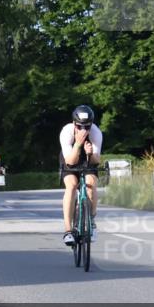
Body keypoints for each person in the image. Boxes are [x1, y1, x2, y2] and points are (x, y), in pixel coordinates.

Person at [59, 105, 102, 246]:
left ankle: (91, 220)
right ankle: (68, 230)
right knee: (71, 186)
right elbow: (70, 162)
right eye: (79, 127)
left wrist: (90, 154)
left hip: (88, 158)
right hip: (71, 156)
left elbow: (97, 161)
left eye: (87, 127)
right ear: (73, 124)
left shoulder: (95, 132)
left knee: (90, 184)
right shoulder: (66, 132)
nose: (83, 130)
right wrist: (77, 144)